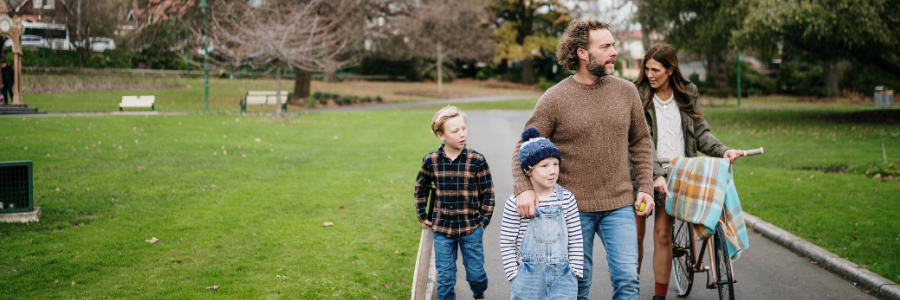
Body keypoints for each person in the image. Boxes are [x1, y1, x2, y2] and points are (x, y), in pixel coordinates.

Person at [511, 20, 656, 300]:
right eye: (605, 46)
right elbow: (525, 144)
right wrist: (524, 188)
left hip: (620, 204)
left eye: (613, 44)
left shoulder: (627, 92)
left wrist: (646, 187)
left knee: (628, 279)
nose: (614, 51)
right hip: (571, 208)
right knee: (578, 285)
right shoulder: (555, 98)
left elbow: (640, 141)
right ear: (582, 53)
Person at [631, 44, 743, 300]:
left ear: (670, 70)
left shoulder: (687, 92)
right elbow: (642, 139)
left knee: (662, 235)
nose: (650, 74)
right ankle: (630, 291)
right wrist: (655, 173)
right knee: (636, 234)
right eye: (646, 69)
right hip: (641, 172)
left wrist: (723, 151)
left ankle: (659, 297)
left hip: (678, 172)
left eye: (656, 70)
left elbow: (701, 133)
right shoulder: (637, 93)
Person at [415, 105, 494, 300]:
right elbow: (421, 188)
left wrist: (482, 223)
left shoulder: (477, 160)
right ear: (441, 135)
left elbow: (488, 193)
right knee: (445, 278)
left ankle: (479, 293)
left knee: (475, 275)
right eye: (455, 131)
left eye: (463, 128)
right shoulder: (431, 161)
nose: (462, 134)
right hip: (442, 230)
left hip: (470, 229)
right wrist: (422, 215)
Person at [500, 127, 583, 300]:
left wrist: (574, 271)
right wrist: (514, 276)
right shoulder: (515, 203)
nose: (552, 171)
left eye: (555, 164)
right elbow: (507, 241)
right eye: (544, 166)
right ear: (528, 170)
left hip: (563, 278)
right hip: (527, 280)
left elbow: (575, 238)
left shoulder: (567, 199)